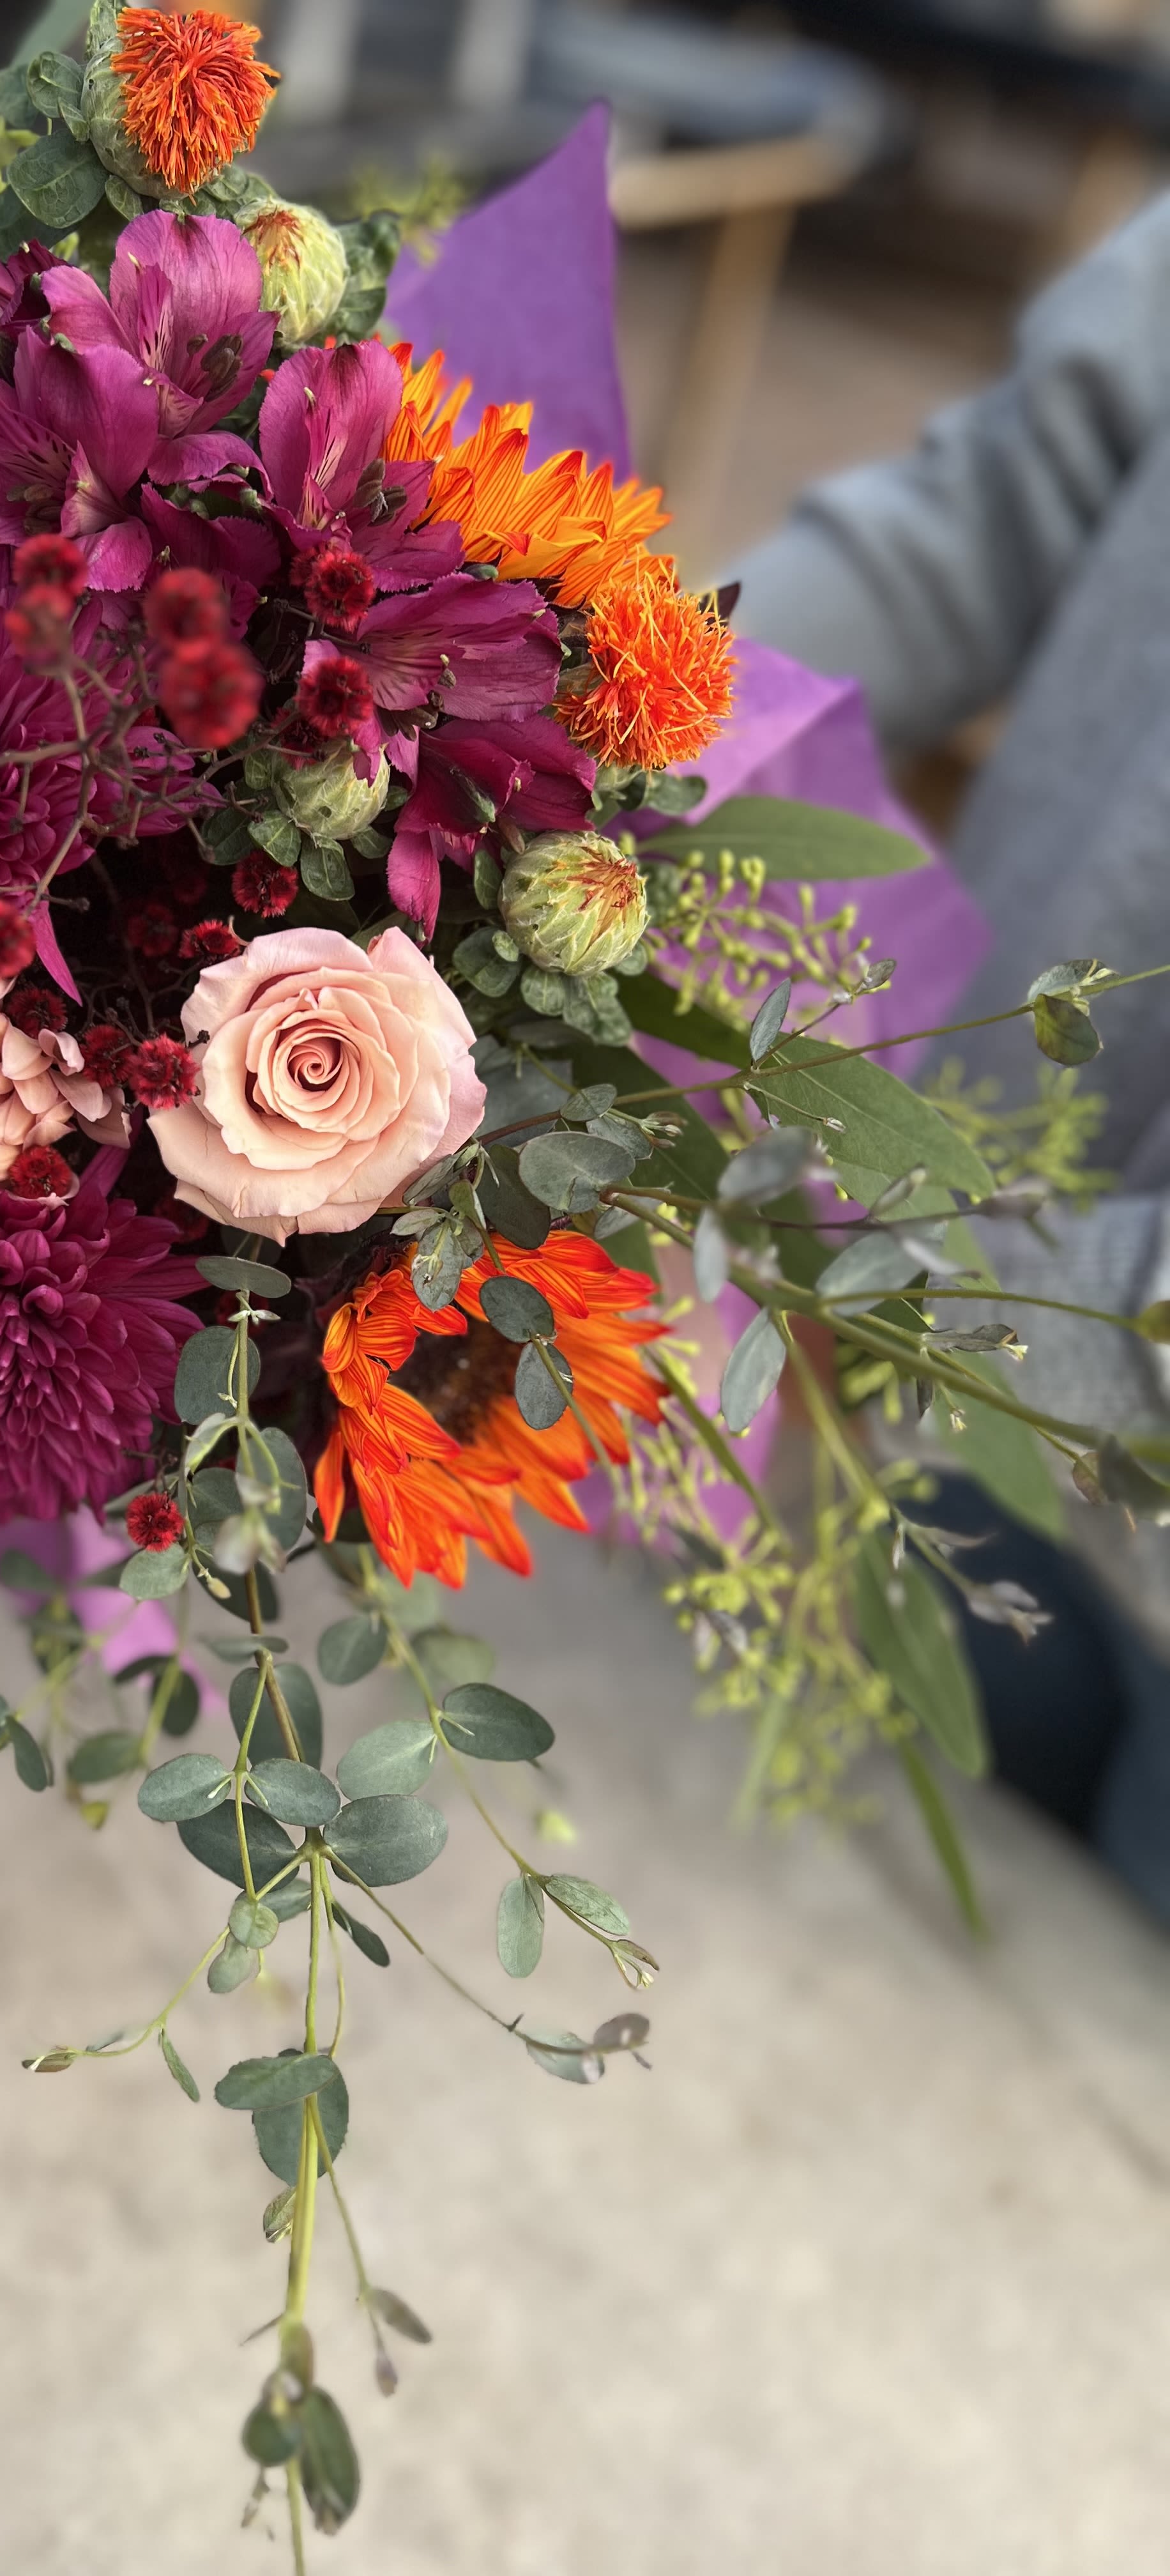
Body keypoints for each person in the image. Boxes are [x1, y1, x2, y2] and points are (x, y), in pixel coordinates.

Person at [728, 197, 1170, 1917]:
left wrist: (904, 1292)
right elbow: (1003, 497)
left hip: (978, 1324)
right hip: (950, 1365)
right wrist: (630, 731)